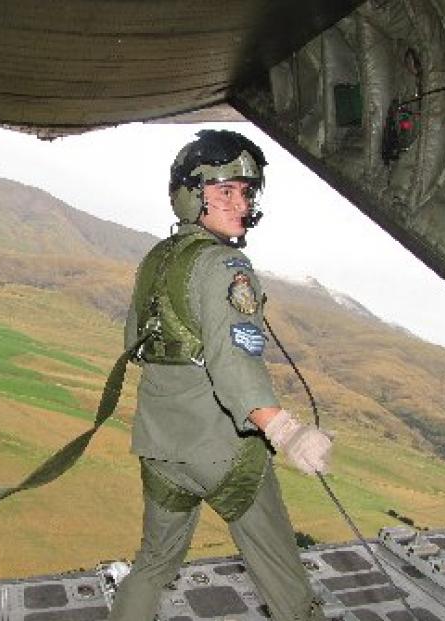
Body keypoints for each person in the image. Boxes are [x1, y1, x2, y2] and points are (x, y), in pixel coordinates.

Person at [111, 130, 333, 621]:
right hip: (223, 449)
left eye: (246, 192)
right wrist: (285, 430)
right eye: (225, 192)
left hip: (160, 444)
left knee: (152, 566)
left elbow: (136, 343)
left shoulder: (156, 259)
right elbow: (235, 365)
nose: (241, 203)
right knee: (285, 581)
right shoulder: (227, 266)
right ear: (193, 197)